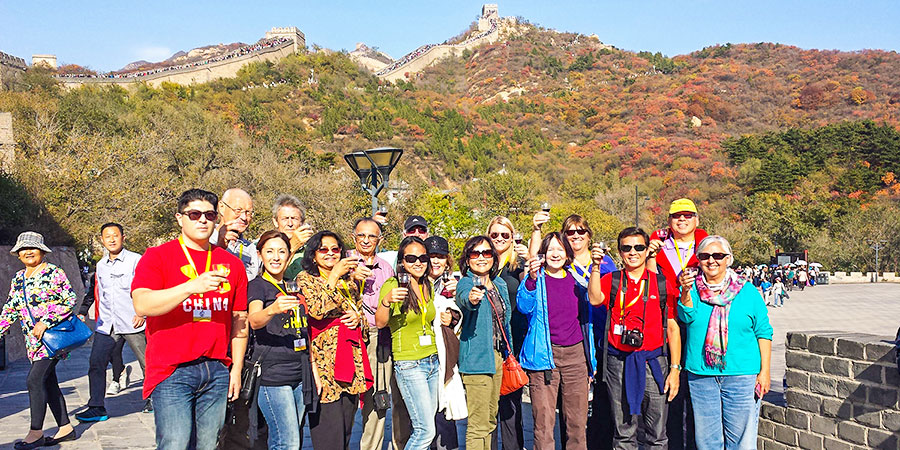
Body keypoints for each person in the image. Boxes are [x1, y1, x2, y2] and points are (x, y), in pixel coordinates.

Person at [131, 188, 250, 449]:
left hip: (217, 369)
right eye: (194, 214)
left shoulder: (232, 264)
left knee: (208, 445)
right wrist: (189, 287)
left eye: (209, 215)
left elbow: (240, 320)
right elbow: (142, 303)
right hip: (172, 370)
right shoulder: (158, 256)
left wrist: (237, 369)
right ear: (179, 218)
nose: (202, 220)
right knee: (175, 443)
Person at [588, 227, 682, 450]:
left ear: (647, 249)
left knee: (657, 432)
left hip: (653, 361)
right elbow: (594, 299)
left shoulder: (660, 284)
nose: (633, 252)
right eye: (626, 248)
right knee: (623, 431)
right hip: (618, 361)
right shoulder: (611, 280)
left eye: (639, 247)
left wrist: (675, 369)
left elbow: (672, 328)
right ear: (619, 252)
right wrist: (595, 267)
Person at [676, 236, 773, 450]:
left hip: (742, 375)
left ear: (728, 259)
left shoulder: (747, 292)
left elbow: (763, 332)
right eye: (705, 256)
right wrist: (684, 291)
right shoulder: (691, 288)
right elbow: (686, 316)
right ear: (698, 260)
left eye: (718, 255)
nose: (712, 260)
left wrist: (765, 371)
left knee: (742, 441)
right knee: (707, 441)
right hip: (702, 375)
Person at [0, 232, 78, 449]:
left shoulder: (54, 272)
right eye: (23, 249)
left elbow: (69, 299)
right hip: (32, 343)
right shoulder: (18, 278)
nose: (28, 252)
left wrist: (46, 321)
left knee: (34, 381)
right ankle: (65, 428)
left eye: (33, 248)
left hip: (53, 340)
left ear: (42, 251)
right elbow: (10, 308)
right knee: (48, 381)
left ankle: (35, 432)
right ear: (18, 254)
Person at [517, 232, 593, 450]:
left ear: (568, 253)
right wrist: (530, 279)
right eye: (550, 249)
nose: (555, 254)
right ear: (543, 253)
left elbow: (588, 318)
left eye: (560, 249)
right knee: (543, 424)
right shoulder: (536, 278)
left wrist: (591, 363)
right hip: (544, 356)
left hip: (575, 356)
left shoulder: (577, 279)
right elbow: (523, 306)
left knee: (577, 424)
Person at [296, 231, 370, 450]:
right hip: (324, 366)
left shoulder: (351, 281)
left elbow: (364, 320)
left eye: (335, 249)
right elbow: (317, 310)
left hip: (350, 362)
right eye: (323, 249)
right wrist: (334, 276)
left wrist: (358, 318)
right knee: (329, 436)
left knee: (347, 432)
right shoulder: (305, 279)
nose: (330, 254)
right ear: (313, 254)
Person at [647, 198, 708, 450]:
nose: (682, 220)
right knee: (671, 391)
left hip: (698, 323)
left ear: (696, 220)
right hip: (668, 321)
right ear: (669, 221)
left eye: (687, 215)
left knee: (696, 391)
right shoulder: (659, 246)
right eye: (676, 216)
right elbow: (651, 280)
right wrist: (650, 253)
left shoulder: (707, 247)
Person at [246, 230, 316, 449]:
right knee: (287, 442)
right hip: (273, 375)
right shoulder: (257, 285)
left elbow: (304, 329)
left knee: (292, 438)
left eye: (281, 252)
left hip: (299, 371)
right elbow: (254, 320)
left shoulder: (291, 285)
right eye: (269, 251)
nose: (275, 257)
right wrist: (272, 310)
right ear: (260, 255)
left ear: (289, 255)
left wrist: (313, 370)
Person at [76, 222, 150, 423]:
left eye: (115, 235)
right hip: (107, 324)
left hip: (133, 321)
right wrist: (85, 312)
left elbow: (147, 287)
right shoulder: (100, 266)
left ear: (123, 238)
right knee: (96, 363)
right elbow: (98, 293)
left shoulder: (136, 260)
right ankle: (96, 407)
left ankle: (153, 399)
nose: (111, 239)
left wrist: (142, 313)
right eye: (107, 236)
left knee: (147, 363)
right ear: (102, 240)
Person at [377, 236, 444, 450]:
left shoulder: (427, 284)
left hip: (432, 361)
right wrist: (387, 301)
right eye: (411, 258)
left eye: (423, 257)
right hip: (409, 363)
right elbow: (380, 322)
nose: (418, 262)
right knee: (425, 431)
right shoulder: (394, 284)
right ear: (402, 262)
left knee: (426, 425)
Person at [455, 236, 511, 450]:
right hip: (477, 360)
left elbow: (505, 323)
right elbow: (464, 298)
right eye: (475, 253)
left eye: (486, 253)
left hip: (497, 358)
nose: (481, 258)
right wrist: (472, 298)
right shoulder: (467, 283)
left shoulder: (499, 284)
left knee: (489, 420)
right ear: (467, 258)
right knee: (478, 425)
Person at [350, 217, 400, 450]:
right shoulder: (345, 262)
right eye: (362, 235)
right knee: (349, 398)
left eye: (372, 236)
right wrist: (350, 278)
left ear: (380, 239)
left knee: (378, 397)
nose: (367, 240)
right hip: (352, 336)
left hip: (380, 336)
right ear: (354, 237)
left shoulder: (386, 267)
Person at [486, 216, 528, 450]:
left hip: (514, 341)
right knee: (489, 406)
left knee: (511, 406)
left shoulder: (518, 265)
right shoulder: (481, 263)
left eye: (505, 235)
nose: (500, 239)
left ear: (512, 238)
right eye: (495, 235)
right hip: (487, 342)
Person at [425, 236, 465, 450]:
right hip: (421, 357)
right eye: (432, 256)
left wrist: (454, 316)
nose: (436, 261)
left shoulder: (454, 285)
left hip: (445, 359)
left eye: (441, 256)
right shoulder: (416, 282)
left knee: (444, 416)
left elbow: (462, 316)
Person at [212, 188, 261, 281]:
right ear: (221, 207)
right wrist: (220, 247)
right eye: (238, 210)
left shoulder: (250, 248)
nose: (244, 217)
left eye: (248, 212)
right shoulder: (203, 241)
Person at [271, 194, 314, 281]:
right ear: (275, 222)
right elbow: (270, 278)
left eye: (294, 218)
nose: (290, 224)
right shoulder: (263, 246)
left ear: (302, 222)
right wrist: (292, 247)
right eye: (285, 219)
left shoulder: (312, 250)